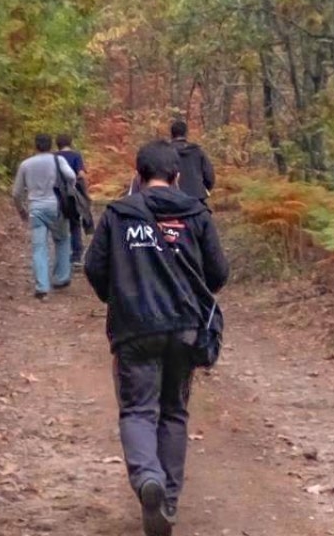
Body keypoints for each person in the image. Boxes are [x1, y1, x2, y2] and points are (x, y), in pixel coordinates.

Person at [84, 140, 230, 536]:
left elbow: (94, 267)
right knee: (174, 412)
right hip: (184, 328)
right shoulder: (196, 213)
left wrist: (119, 295)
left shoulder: (118, 214)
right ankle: (166, 500)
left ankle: (148, 477)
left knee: (137, 411)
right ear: (177, 176)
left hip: (134, 329)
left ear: (138, 174)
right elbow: (218, 274)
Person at [11, 133, 77, 300]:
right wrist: (69, 189)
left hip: (36, 208)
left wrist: (21, 210)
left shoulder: (26, 164)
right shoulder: (58, 160)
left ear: (35, 146)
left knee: (39, 247)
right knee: (62, 240)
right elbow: (71, 176)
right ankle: (61, 278)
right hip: (56, 206)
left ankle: (42, 286)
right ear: (51, 146)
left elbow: (16, 193)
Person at [55, 133, 90, 266]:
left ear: (57, 143)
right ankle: (76, 256)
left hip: (57, 194)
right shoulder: (76, 156)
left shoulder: (54, 157)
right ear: (70, 142)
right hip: (73, 194)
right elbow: (81, 174)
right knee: (75, 224)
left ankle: (62, 257)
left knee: (60, 224)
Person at [169, 120, 215, 204]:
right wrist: (203, 189)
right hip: (196, 197)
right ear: (186, 134)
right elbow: (209, 175)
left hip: (172, 199)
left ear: (171, 134)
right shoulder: (198, 151)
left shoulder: (165, 152)